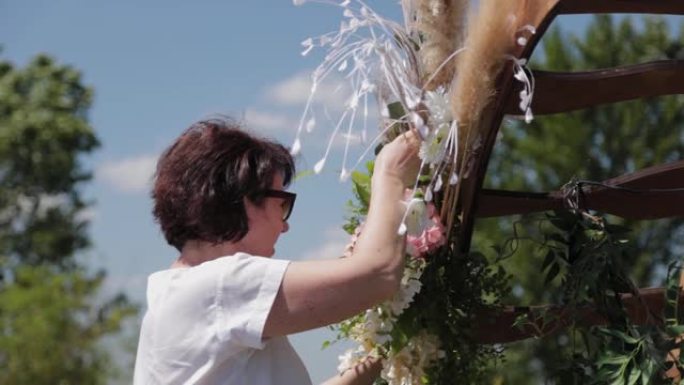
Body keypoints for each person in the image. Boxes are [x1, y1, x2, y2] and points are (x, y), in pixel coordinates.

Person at [133, 118, 421, 385]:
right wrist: (391, 174)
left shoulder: (178, 294)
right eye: (281, 204)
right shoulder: (219, 287)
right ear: (244, 201)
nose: (285, 227)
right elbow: (377, 274)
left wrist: (386, 354)